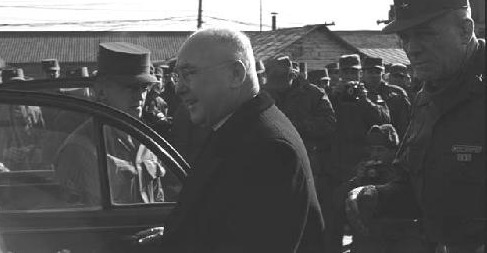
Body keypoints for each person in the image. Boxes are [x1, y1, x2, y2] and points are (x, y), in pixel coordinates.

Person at [346, 0, 485, 253]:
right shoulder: (427, 96)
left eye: (425, 34)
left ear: (464, 30)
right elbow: (416, 182)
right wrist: (378, 196)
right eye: (405, 37)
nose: (411, 48)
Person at [156, 28, 324, 252]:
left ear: (236, 74)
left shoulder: (269, 149)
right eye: (178, 76)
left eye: (189, 74)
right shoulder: (238, 128)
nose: (179, 88)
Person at [55, 42, 165, 205]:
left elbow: (158, 198)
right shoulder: (81, 148)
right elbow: (79, 218)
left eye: (144, 87)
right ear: (101, 91)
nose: (140, 96)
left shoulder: (145, 141)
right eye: (130, 87)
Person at [326, 53, 390, 253]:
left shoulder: (370, 94)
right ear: (339, 74)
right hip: (335, 161)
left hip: (363, 161)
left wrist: (363, 100)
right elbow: (324, 121)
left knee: (362, 214)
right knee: (333, 217)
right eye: (346, 72)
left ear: (360, 73)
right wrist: (334, 97)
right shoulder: (328, 94)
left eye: (354, 72)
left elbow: (383, 119)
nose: (350, 76)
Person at [335, 124, 427, 253]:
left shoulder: (403, 172)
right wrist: (357, 180)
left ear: (393, 151)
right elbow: (339, 201)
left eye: (380, 150)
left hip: (395, 239)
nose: (375, 155)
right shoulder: (365, 169)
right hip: (367, 240)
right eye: (372, 150)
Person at [264, 55, 336, 214]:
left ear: (292, 76)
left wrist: (295, 126)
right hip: (271, 162)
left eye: (282, 80)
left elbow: (328, 124)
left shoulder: (314, 94)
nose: (278, 86)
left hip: (306, 160)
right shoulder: (264, 93)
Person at [362, 57, 411, 141]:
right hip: (362, 144)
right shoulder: (354, 94)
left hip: (390, 146)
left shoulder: (396, 94)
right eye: (370, 72)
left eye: (377, 72)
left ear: (383, 73)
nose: (374, 75)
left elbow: (405, 126)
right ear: (362, 73)